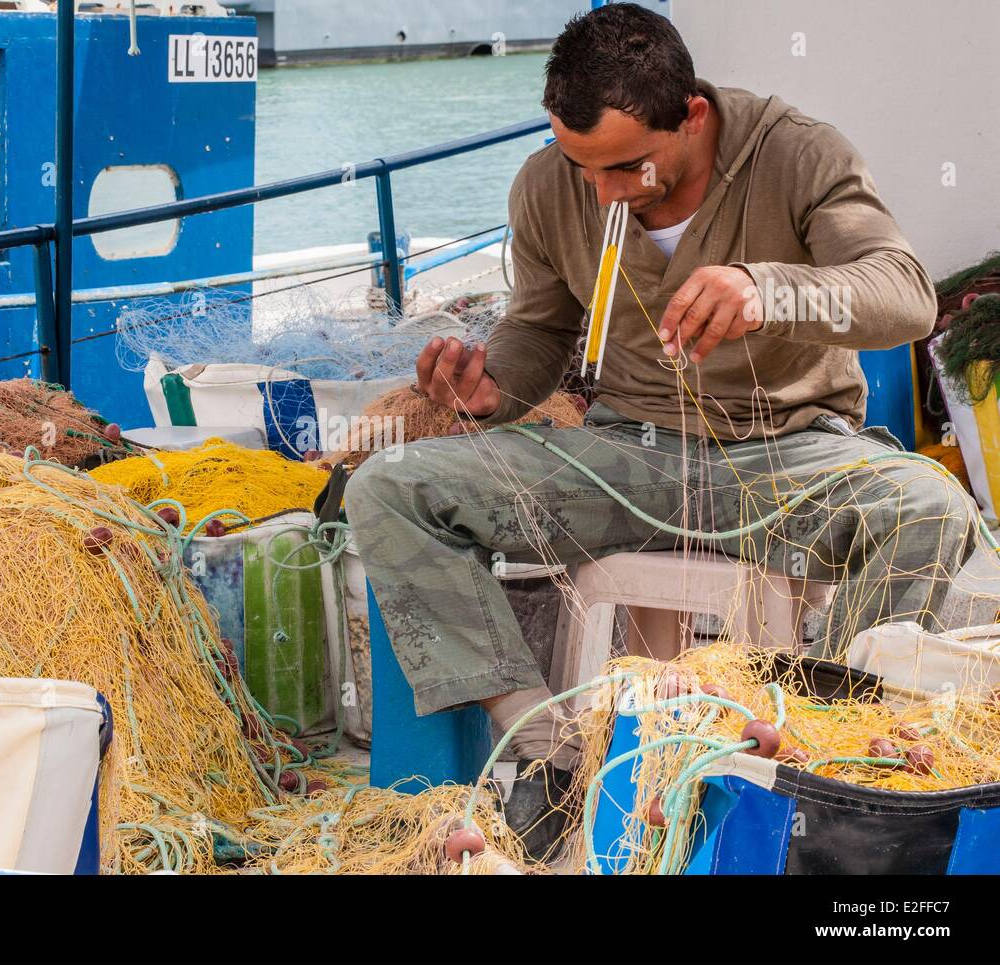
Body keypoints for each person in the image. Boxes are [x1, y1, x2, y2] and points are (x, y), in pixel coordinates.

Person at [344, 3, 970, 861]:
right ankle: (544, 754)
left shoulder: (798, 152)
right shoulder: (548, 184)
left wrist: (767, 291)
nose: (603, 191)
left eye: (627, 166)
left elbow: (905, 292)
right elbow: (540, 329)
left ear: (695, 117)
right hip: (623, 453)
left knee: (929, 504)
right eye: (582, 166)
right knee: (390, 485)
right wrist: (491, 385)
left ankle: (827, 754)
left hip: (789, 450)